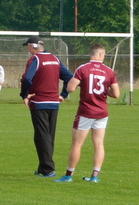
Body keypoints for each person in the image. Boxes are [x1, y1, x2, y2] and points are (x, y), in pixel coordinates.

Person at [55, 44, 120, 183]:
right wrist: (104, 91)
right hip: (102, 112)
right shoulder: (109, 71)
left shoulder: (83, 68)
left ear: (91, 54)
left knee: (77, 144)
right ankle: (95, 176)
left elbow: (70, 88)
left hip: (86, 111)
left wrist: (82, 84)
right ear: (101, 55)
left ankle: (68, 175)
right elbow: (116, 94)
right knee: (99, 143)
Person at [20, 35, 73, 178]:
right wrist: (63, 94)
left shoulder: (35, 59)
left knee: (41, 136)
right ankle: (43, 167)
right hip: (54, 103)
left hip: (39, 102)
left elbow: (27, 78)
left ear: (32, 46)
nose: (28, 49)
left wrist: (24, 94)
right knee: (48, 136)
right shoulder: (55, 59)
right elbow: (70, 78)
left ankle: (48, 169)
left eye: (27, 46)